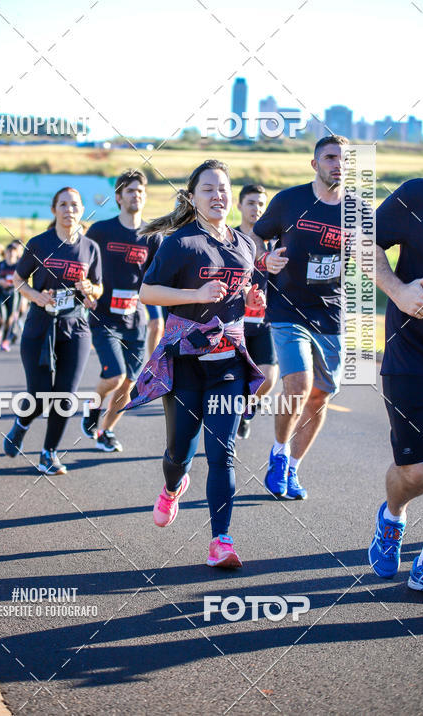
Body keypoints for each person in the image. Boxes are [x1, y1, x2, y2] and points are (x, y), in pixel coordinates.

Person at [126, 160, 265, 569]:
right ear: (192, 197)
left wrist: (255, 297)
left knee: (222, 452)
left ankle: (220, 541)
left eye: (223, 188)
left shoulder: (245, 245)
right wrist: (197, 292)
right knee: (178, 451)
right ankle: (172, 487)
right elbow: (148, 293)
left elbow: (239, 297)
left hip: (228, 367)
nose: (218, 195)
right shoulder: (179, 243)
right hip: (185, 365)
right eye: (208, 189)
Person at [368, 172, 423, 598]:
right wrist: (397, 291)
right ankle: (393, 516)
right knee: (419, 470)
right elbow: (366, 243)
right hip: (416, 356)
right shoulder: (421, 193)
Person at [253, 135, 347, 501]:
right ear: (315, 164)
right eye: (329, 157)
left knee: (321, 396)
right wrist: (264, 260)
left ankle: (292, 467)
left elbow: (375, 253)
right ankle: (278, 454)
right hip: (287, 309)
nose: (336, 163)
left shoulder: (357, 210)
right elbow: (255, 238)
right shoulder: (289, 200)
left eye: (342, 158)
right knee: (298, 385)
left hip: (331, 314)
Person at [4, 187, 102, 475]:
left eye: (74, 205)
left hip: (76, 327)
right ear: (54, 210)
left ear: (82, 210)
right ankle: (21, 424)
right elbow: (18, 280)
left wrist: (90, 289)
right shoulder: (39, 243)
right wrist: (36, 296)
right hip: (40, 326)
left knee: (64, 395)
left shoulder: (90, 248)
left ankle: (49, 453)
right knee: (39, 394)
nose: (69, 209)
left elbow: (98, 288)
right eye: (63, 204)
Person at [82, 169, 161, 452]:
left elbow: (156, 278)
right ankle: (92, 407)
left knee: (130, 382)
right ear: (118, 197)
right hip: (103, 316)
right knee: (114, 375)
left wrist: (157, 318)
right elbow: (82, 265)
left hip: (135, 320)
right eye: (130, 191)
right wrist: (86, 292)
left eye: (140, 191)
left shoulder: (153, 236)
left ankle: (106, 431)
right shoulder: (101, 231)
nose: (136, 195)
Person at [235, 184, 288, 439]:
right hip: (232, 323)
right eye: (251, 203)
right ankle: (233, 417)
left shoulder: (274, 245)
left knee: (268, 377)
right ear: (239, 206)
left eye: (261, 204)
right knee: (232, 379)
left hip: (263, 322)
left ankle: (247, 408)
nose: (256, 208)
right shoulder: (229, 239)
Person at [0, 243, 21, 351]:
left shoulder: (19, 265)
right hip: (1, 292)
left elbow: (25, 279)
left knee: (9, 319)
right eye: (10, 251)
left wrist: (16, 283)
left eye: (14, 251)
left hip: (14, 294)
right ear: (6, 252)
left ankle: (5, 341)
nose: (12, 253)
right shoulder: (0, 264)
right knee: (1, 317)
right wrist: (0, 281)